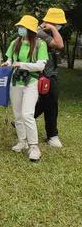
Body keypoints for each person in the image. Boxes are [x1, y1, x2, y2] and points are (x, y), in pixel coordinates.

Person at [5, 15, 49, 162]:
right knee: (17, 114)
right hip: (16, 81)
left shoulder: (39, 44)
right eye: (19, 27)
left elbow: (41, 66)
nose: (20, 29)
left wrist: (21, 65)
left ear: (30, 29)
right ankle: (22, 141)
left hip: (31, 82)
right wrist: (8, 62)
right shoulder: (15, 42)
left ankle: (34, 147)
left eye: (23, 27)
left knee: (27, 114)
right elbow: (10, 59)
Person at [34, 8, 66, 147]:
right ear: (51, 21)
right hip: (45, 74)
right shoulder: (41, 32)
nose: (60, 26)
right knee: (51, 103)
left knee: (45, 102)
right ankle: (52, 135)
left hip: (49, 72)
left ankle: (22, 122)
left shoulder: (44, 31)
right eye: (58, 24)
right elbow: (60, 45)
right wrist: (53, 28)